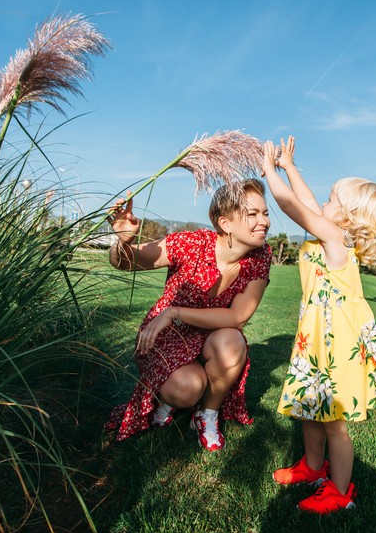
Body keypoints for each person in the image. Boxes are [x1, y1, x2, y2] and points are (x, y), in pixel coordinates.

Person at [261, 136, 376, 514]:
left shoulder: (335, 240)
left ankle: (340, 493)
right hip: (318, 338)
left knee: (334, 423)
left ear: (348, 217)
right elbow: (309, 205)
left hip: (337, 343)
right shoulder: (330, 232)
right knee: (310, 407)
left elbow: (295, 208)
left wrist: (268, 172)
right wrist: (290, 167)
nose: (323, 204)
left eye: (332, 200)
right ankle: (312, 468)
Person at [104, 179, 272, 451]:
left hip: (208, 334)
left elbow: (238, 317)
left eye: (264, 213)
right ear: (225, 223)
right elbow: (126, 262)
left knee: (233, 342)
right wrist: (123, 241)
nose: (263, 221)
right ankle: (168, 399)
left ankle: (207, 414)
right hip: (165, 334)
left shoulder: (261, 256)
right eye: (252, 214)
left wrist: (175, 311)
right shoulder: (192, 243)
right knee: (187, 388)